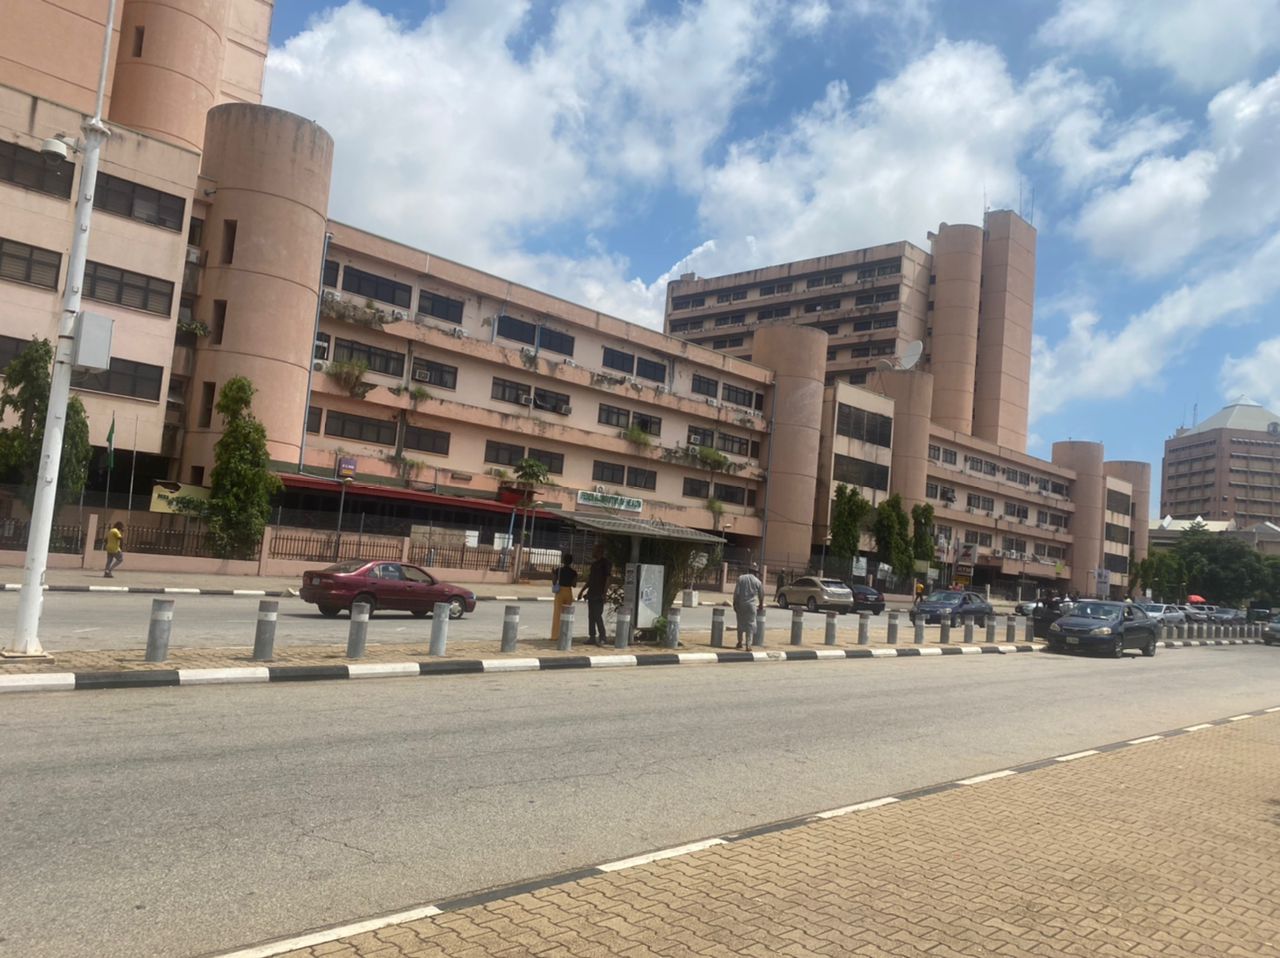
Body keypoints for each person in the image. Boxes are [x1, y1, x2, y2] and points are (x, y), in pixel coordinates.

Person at [578, 545, 612, 645]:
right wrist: (582, 591)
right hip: (591, 593)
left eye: (594, 550)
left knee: (597, 615)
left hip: (599, 594)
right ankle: (592, 637)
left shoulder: (605, 563)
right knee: (591, 616)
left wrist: (605, 593)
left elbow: (608, 579)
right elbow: (590, 580)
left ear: (599, 551)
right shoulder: (594, 565)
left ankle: (603, 637)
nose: (593, 552)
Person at [733, 562, 764, 649]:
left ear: (749, 570)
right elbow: (761, 594)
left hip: (741, 604)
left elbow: (736, 593)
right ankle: (748, 644)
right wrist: (761, 604)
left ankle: (739, 642)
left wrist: (735, 603)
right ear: (756, 572)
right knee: (750, 624)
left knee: (740, 623)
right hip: (751, 605)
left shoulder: (741, 578)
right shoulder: (757, 581)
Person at [550, 552, 578, 640]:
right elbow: (574, 585)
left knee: (557, 614)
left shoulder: (558, 570)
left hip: (560, 592)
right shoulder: (574, 572)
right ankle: (565, 635)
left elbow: (554, 582)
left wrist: (553, 574)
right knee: (567, 615)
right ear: (571, 562)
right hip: (568, 592)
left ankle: (555, 635)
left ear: (563, 560)